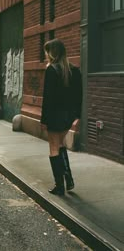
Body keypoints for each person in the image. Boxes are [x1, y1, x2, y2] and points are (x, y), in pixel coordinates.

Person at [41, 39, 82, 196]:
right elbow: (79, 96)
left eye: (47, 52)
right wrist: (77, 115)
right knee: (61, 143)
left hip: (54, 116)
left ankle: (59, 186)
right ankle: (69, 180)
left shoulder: (52, 70)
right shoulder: (74, 70)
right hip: (68, 116)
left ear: (52, 53)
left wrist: (44, 120)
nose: (46, 55)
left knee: (54, 147)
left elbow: (48, 98)